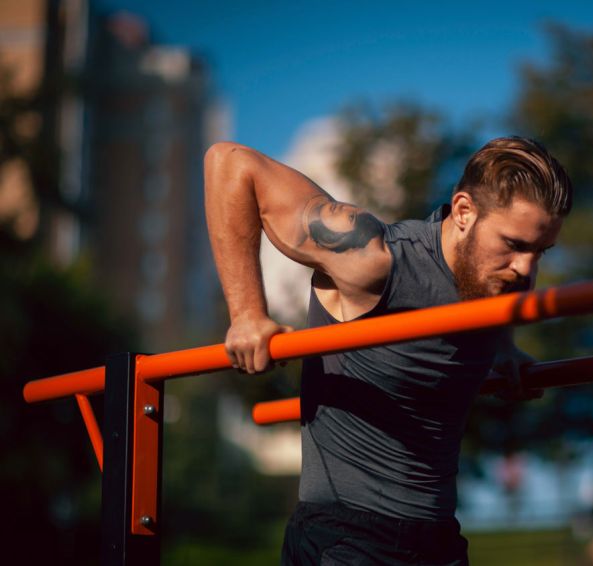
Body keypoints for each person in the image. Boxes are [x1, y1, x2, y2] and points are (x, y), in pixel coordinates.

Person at [203, 136, 572, 565]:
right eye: (513, 245)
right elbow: (229, 163)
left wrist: (505, 348)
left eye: (540, 251)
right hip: (347, 538)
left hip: (439, 540)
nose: (527, 269)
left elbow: (483, 293)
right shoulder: (373, 260)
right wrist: (247, 313)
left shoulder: (491, 282)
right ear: (465, 212)